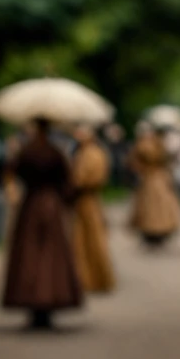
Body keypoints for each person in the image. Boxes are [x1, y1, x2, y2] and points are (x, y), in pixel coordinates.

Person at [1, 119, 83, 329]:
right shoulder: (56, 153)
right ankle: (50, 300)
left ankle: (32, 303)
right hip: (52, 206)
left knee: (29, 255)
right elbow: (68, 182)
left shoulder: (25, 151)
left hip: (30, 207)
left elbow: (11, 172)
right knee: (51, 256)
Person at [68, 124, 116, 293]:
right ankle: (88, 277)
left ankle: (92, 278)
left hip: (87, 201)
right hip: (89, 201)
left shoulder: (90, 154)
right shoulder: (90, 153)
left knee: (91, 239)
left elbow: (82, 179)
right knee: (85, 240)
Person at [129, 120, 180, 246]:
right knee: (156, 204)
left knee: (155, 204)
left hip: (154, 177)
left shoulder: (147, 144)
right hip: (155, 177)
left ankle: (156, 230)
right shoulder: (157, 143)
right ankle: (155, 230)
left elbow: (137, 160)